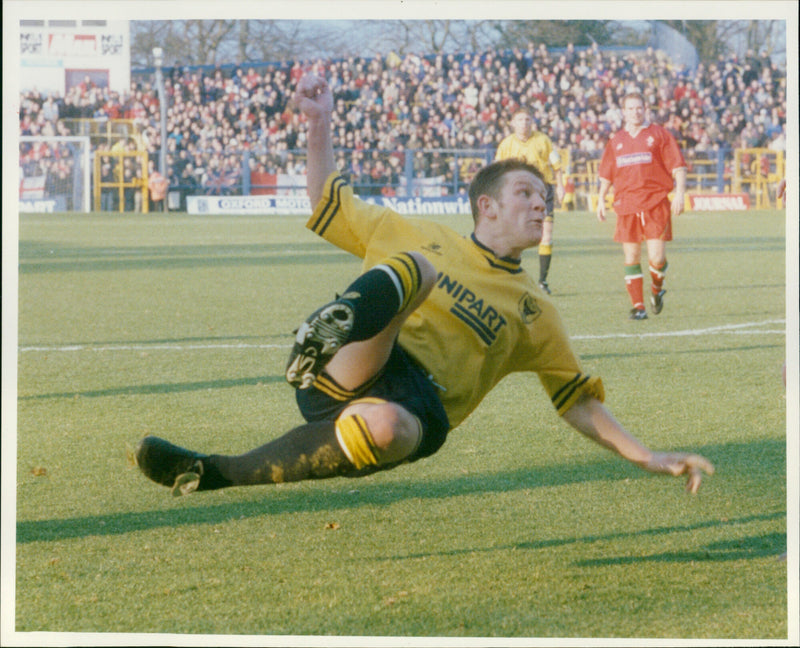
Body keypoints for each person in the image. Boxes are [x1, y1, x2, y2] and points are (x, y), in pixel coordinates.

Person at [134, 73, 714, 498]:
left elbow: (577, 403)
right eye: (525, 195)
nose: (540, 205)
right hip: (360, 360)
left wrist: (648, 456)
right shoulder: (419, 232)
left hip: (418, 409)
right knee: (421, 268)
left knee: (384, 428)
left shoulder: (536, 309)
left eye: (544, 199)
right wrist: (319, 123)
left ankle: (214, 472)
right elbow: (327, 201)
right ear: (486, 206)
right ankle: (324, 338)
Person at [596, 91, 687, 320]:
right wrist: (600, 199)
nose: (635, 112)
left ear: (645, 109)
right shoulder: (616, 141)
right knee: (631, 256)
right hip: (626, 205)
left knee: (656, 258)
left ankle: (657, 289)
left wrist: (680, 193)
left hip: (655, 203)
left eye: (639, 108)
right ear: (623, 112)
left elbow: (678, 166)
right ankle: (638, 306)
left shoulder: (659, 135)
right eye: (630, 109)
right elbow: (607, 174)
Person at [495, 108, 565, 294]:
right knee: (514, 234)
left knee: (546, 235)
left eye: (527, 120)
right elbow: (497, 171)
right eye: (520, 120)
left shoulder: (543, 140)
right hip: (517, 193)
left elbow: (557, 166)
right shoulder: (506, 145)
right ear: (512, 123)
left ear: (531, 121)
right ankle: (510, 277)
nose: (524, 123)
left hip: (543, 190)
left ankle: (542, 282)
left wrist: (560, 186)